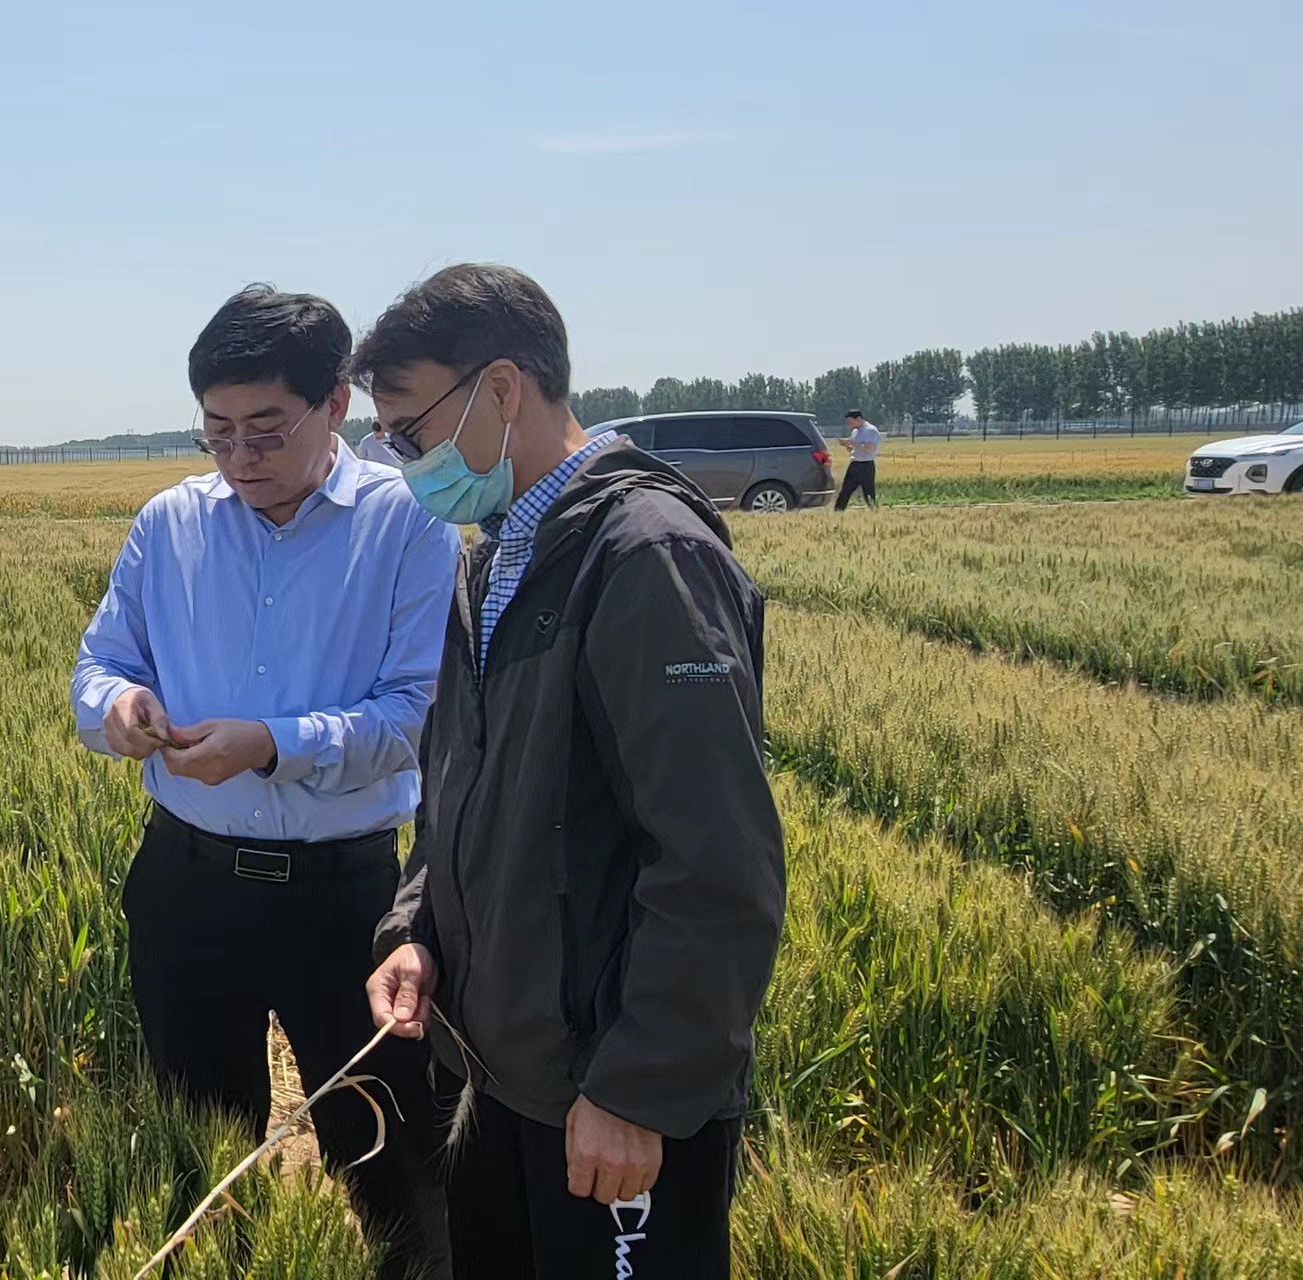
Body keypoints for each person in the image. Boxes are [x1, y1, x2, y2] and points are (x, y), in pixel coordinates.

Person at [351, 264, 784, 1279]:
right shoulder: (495, 557)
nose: (404, 461)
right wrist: (415, 930)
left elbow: (717, 859)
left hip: (608, 1100)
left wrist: (640, 1087)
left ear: (501, 390)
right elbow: (459, 796)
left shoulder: (645, 559)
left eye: (411, 431)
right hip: (498, 1075)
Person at [72, 286, 458, 1274]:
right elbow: (101, 662)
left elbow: (413, 716)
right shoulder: (170, 522)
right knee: (200, 1161)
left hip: (348, 899)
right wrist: (118, 707)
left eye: (266, 429)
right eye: (218, 431)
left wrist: (270, 744)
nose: (240, 456)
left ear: (337, 405)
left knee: (393, 1156)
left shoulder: (410, 524)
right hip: (187, 885)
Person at [834, 410, 881, 510]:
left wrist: (853, 442)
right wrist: (847, 446)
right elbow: (855, 449)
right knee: (845, 491)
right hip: (854, 463)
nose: (850, 425)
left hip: (866, 465)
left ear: (859, 419)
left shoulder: (871, 430)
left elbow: (868, 448)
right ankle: (837, 513)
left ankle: (875, 512)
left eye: (851, 422)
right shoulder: (855, 431)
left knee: (868, 492)